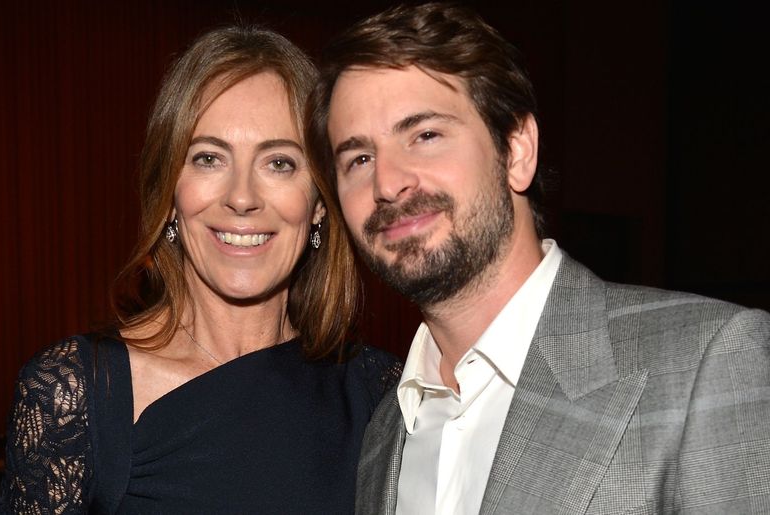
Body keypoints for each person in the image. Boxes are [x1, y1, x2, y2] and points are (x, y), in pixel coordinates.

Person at [305, 3, 770, 514]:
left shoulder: (707, 363)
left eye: (426, 135)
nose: (388, 182)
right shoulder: (382, 433)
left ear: (517, 150)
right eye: (359, 158)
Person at [0, 25, 400, 514]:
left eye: (279, 163)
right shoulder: (73, 395)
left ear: (318, 201)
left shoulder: (383, 394)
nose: (242, 197)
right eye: (209, 158)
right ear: (170, 192)